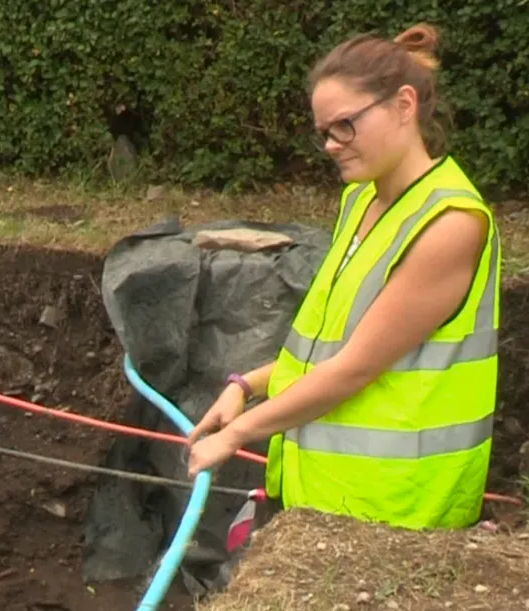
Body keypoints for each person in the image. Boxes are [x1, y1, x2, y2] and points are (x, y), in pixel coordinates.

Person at [185, 23, 500, 531]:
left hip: (397, 511)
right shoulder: (361, 201)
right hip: (330, 494)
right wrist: (245, 384)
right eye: (325, 132)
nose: (332, 144)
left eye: (345, 126)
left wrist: (238, 433)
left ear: (404, 105)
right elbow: (328, 346)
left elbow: (356, 367)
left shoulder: (450, 224)